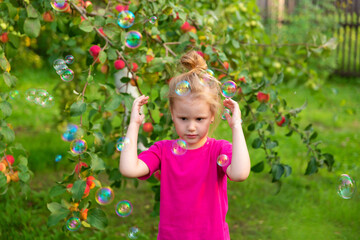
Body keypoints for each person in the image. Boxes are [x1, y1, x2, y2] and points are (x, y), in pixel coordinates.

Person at [119, 51, 251, 240]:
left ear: (212, 115)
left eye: (199, 119)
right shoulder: (162, 151)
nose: (191, 127)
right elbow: (128, 169)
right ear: (172, 114)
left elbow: (240, 174)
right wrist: (134, 124)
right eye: (183, 118)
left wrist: (236, 126)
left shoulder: (218, 150)